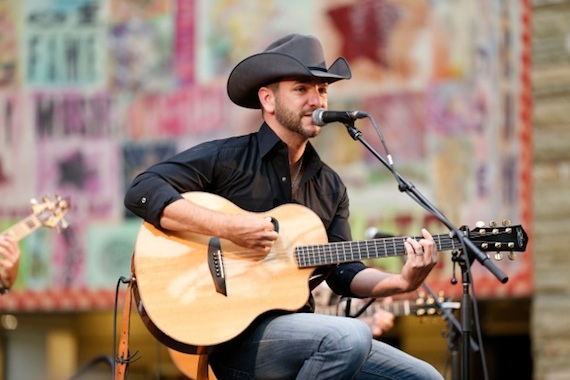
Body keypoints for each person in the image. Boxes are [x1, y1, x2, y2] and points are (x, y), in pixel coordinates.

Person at [125, 33, 443, 379]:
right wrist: (228, 228)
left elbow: (342, 270)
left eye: (322, 89)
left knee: (425, 376)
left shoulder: (330, 185)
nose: (316, 99)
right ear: (268, 100)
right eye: (301, 89)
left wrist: (402, 282)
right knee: (349, 336)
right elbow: (142, 190)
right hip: (237, 340)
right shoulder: (228, 159)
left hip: (303, 331)